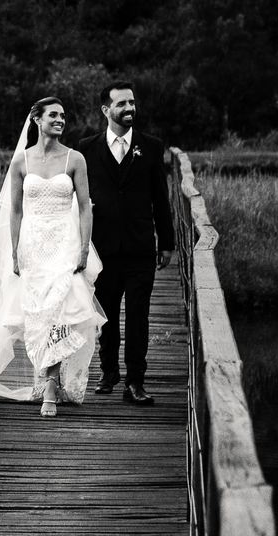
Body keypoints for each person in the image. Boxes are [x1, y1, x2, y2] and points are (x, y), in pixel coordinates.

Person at [0, 97, 106, 417]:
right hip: (33, 243)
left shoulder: (74, 159)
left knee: (60, 310)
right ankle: (49, 378)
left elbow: (85, 206)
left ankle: (50, 384)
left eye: (63, 116)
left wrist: (83, 247)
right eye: (53, 115)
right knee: (38, 314)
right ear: (37, 119)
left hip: (65, 241)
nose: (60, 120)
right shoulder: (21, 161)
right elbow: (15, 210)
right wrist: (14, 251)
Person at [77, 81, 175, 406]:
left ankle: (135, 381)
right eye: (122, 104)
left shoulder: (151, 146)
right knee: (105, 314)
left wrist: (167, 242)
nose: (130, 108)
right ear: (106, 110)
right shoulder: (86, 148)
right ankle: (108, 372)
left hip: (139, 246)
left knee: (138, 316)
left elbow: (161, 197)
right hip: (102, 248)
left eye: (131, 102)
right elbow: (77, 197)